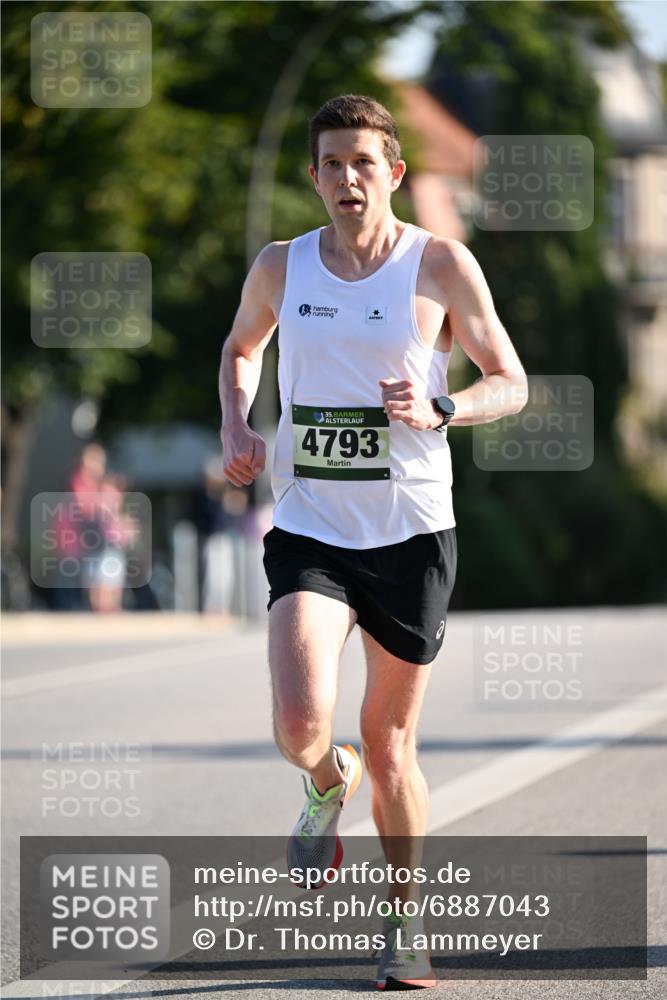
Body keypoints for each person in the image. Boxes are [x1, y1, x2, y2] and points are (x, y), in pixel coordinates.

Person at [219, 94, 528, 990]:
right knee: (297, 721)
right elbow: (241, 349)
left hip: (410, 532)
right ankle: (323, 781)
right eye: (331, 164)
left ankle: (405, 924)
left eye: (364, 161)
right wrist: (239, 424)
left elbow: (508, 380)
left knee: (390, 744)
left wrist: (445, 405)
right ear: (312, 177)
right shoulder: (282, 267)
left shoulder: (439, 264)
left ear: (394, 172)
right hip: (312, 523)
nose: (347, 178)